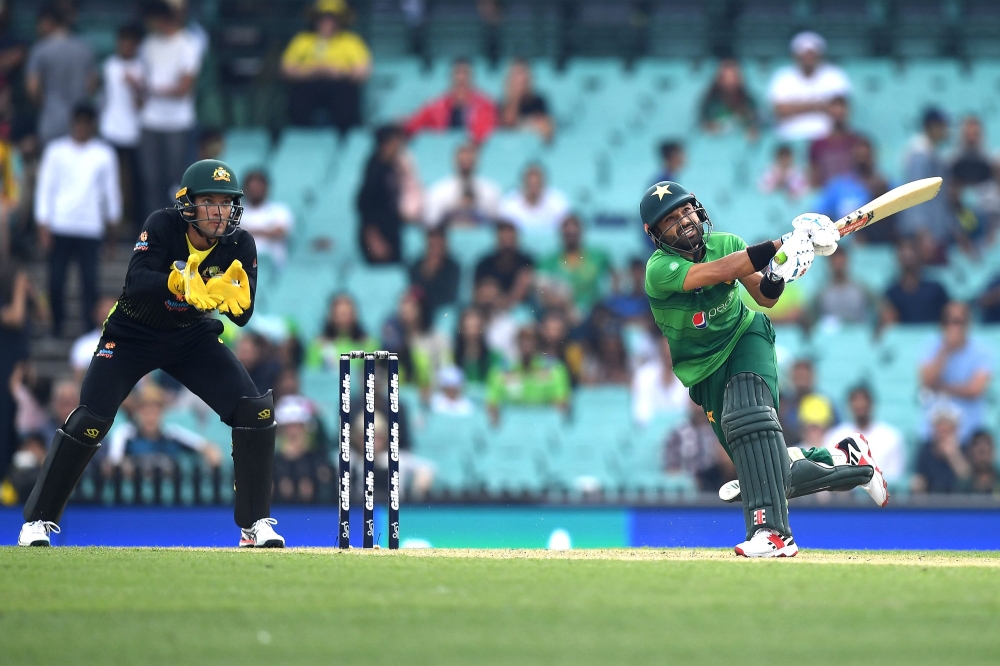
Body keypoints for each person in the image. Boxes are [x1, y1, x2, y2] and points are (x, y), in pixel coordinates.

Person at [17, 158, 285, 549]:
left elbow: (242, 314)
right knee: (90, 420)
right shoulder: (162, 224)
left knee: (255, 411)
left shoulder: (240, 244)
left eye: (226, 202)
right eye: (208, 200)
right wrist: (176, 282)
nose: (218, 211)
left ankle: (254, 525)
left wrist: (232, 299)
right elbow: (136, 281)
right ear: (188, 204)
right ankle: (37, 523)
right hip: (132, 334)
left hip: (190, 337)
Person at [641, 180, 886, 557]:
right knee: (772, 475)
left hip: (745, 337)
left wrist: (780, 271)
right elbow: (717, 272)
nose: (684, 221)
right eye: (670, 219)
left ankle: (773, 535)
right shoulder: (659, 270)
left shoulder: (726, 241)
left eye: (685, 211)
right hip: (703, 373)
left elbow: (764, 297)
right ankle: (849, 459)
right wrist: (784, 242)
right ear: (653, 233)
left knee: (747, 418)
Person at [35, 103, 121, 337]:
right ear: (73, 123)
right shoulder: (56, 151)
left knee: (90, 282)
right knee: (55, 280)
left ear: (91, 125)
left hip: (90, 227)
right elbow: (46, 189)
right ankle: (57, 326)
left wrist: (112, 229)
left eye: (86, 122)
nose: (81, 127)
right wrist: (43, 223)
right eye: (78, 122)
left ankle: (87, 329)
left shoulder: (103, 154)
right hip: (60, 224)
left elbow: (110, 193)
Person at [137, 1, 203, 216]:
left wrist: (154, 90)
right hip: (150, 121)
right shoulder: (148, 44)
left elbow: (184, 87)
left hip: (178, 122)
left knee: (175, 180)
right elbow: (142, 80)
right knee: (150, 179)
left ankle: (176, 226)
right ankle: (154, 229)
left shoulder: (188, 44)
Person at [280, 0, 371, 134]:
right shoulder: (302, 40)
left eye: (332, 19)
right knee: (298, 98)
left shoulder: (351, 41)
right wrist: (312, 71)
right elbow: (286, 69)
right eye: (323, 18)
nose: (327, 23)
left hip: (339, 86)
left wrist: (338, 72)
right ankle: (301, 135)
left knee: (346, 96)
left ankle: (345, 136)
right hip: (308, 85)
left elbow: (362, 72)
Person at [918, 301, 992, 442]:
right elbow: (927, 380)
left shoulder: (983, 350)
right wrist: (945, 349)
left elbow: (975, 390)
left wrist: (940, 387)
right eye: (947, 321)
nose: (952, 327)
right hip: (933, 434)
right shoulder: (931, 345)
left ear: (968, 323)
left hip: (968, 433)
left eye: (957, 321)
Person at [25, 5, 97, 145]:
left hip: (51, 121)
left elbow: (33, 88)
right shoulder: (85, 48)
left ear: (47, 22)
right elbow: (92, 85)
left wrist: (44, 105)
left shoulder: (40, 50)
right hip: (80, 124)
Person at [99, 24, 144, 234]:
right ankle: (110, 224)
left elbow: (142, 104)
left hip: (134, 132)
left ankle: (132, 223)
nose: (126, 47)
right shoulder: (109, 66)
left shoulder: (142, 68)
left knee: (133, 182)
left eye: (130, 43)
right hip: (110, 129)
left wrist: (136, 86)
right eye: (122, 42)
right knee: (111, 181)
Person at [767, 31, 851, 141]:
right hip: (789, 139)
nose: (808, 57)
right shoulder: (783, 76)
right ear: (795, 55)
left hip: (826, 139)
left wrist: (795, 107)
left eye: (812, 53)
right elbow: (780, 111)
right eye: (804, 54)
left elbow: (840, 110)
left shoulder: (835, 75)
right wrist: (821, 106)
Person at [356, 124, 419, 264]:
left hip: (392, 228)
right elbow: (363, 206)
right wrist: (373, 238)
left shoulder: (393, 165)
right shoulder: (374, 170)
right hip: (377, 234)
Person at [485, 325, 571, 424]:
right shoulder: (501, 371)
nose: (526, 343)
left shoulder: (554, 370)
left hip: (543, 424)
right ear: (516, 343)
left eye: (531, 339)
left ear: (538, 343)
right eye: (522, 339)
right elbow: (492, 404)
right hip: (512, 426)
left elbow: (562, 405)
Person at [824, 385, 907, 485]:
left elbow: (895, 477)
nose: (860, 405)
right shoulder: (835, 437)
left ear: (872, 404)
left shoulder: (891, 437)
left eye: (864, 400)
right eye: (855, 400)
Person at [404, 58, 497, 144]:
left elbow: (481, 136)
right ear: (450, 78)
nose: (461, 77)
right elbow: (411, 128)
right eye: (457, 73)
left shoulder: (485, 105)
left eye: (465, 73)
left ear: (472, 78)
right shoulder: (436, 106)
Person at [899, 108, 953, 246]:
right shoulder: (920, 155)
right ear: (932, 127)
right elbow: (915, 194)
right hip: (923, 234)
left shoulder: (931, 152)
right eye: (942, 125)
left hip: (934, 231)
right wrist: (921, 229)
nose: (946, 130)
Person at [538, 215, 612, 315]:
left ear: (581, 232)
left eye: (574, 233)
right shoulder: (549, 261)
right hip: (561, 313)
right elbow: (542, 290)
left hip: (593, 311)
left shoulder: (598, 257)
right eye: (567, 233)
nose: (571, 236)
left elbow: (615, 277)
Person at [272, 395, 335, 504]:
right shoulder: (271, 463)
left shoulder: (319, 460)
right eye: (288, 427)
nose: (293, 432)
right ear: (279, 432)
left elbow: (330, 495)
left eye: (298, 426)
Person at [422, 143, 501, 228]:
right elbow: (431, 221)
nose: (466, 162)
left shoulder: (490, 190)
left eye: (470, 160)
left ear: (477, 161)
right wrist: (454, 205)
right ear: (454, 161)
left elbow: (496, 221)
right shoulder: (440, 190)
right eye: (462, 160)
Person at [664, 401, 737, 492]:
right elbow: (671, 469)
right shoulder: (678, 433)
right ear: (689, 405)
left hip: (718, 479)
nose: (699, 408)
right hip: (691, 489)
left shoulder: (721, 428)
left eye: (702, 402)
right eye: (695, 403)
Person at [882, 238, 949, 325]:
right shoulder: (891, 293)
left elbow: (948, 318)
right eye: (903, 250)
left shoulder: (935, 290)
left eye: (911, 249)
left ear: (920, 255)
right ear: (898, 257)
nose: (907, 254)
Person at [237, 170, 294, 270]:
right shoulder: (235, 212)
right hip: (242, 266)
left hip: (274, 267)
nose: (256, 190)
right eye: (252, 187)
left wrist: (246, 231)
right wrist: (267, 230)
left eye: (259, 187)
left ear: (266, 188)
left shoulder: (280, 210)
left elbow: (280, 233)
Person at [305, 293, 378, 370]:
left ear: (355, 315)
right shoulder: (318, 345)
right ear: (331, 316)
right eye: (340, 314)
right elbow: (312, 375)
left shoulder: (368, 344)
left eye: (348, 314)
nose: (344, 319)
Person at [912, 401, 970, 494]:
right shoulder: (926, 450)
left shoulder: (965, 449)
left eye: (946, 431)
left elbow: (967, 479)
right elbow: (920, 479)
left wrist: (953, 455)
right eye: (939, 430)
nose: (942, 435)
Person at [473, 220, 534, 306]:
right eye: (504, 240)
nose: (507, 245)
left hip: (520, 308)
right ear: (497, 240)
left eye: (510, 240)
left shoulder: (527, 263)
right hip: (489, 309)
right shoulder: (484, 264)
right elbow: (478, 294)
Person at [808, 96, 865, 188]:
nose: (838, 111)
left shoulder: (857, 142)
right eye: (834, 107)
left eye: (841, 107)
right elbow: (814, 177)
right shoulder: (818, 145)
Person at [632, 337, 690, 426]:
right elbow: (641, 414)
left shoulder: (689, 375)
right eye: (666, 354)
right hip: (651, 431)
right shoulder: (644, 375)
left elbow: (688, 412)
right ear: (660, 352)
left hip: (682, 431)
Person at [497, 164, 570, 232]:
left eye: (537, 184)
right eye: (531, 184)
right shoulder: (510, 205)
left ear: (544, 183)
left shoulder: (557, 201)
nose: (534, 188)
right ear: (524, 183)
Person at [812, 247, 874, 325]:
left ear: (847, 262)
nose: (839, 267)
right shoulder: (821, 292)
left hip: (858, 332)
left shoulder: (861, 289)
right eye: (835, 263)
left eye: (841, 263)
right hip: (830, 334)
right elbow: (811, 318)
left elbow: (879, 309)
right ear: (829, 264)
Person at [408, 227, 460, 321]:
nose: (436, 250)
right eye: (433, 245)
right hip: (420, 314)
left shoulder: (453, 267)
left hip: (444, 315)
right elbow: (414, 293)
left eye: (439, 246)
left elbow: (449, 297)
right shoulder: (416, 266)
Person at [497, 59, 553, 142]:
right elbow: (506, 127)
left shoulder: (538, 101)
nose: (521, 78)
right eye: (517, 74)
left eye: (523, 73)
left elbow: (547, 131)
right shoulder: (503, 103)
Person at [698, 59, 758, 137]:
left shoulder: (749, 102)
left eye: (733, 77)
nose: (730, 82)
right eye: (726, 77)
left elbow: (756, 124)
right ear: (719, 80)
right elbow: (705, 126)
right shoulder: (710, 104)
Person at [69, 295, 119, 381]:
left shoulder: (131, 342)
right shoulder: (83, 344)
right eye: (104, 313)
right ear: (96, 315)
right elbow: (77, 376)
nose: (107, 316)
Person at [453, 307, 500, 385]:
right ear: (461, 329)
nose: (472, 332)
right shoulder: (451, 357)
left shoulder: (494, 358)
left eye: (476, 327)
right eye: (467, 328)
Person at [962, 430, 999, 495]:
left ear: (992, 452)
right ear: (970, 453)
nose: (983, 457)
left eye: (985, 452)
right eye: (980, 452)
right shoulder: (963, 485)